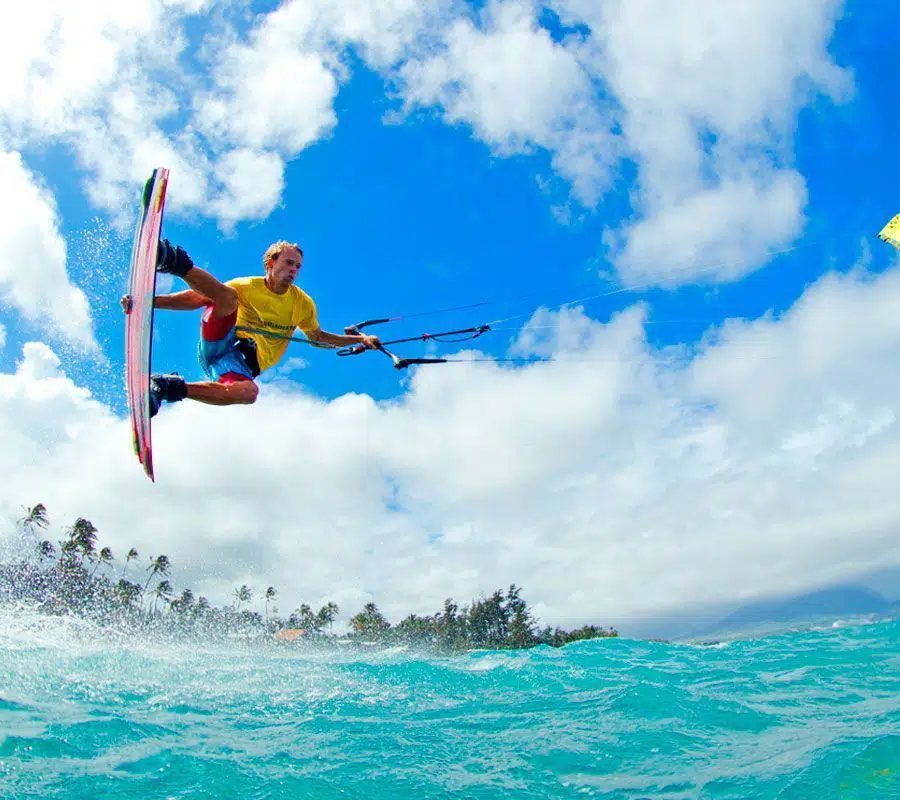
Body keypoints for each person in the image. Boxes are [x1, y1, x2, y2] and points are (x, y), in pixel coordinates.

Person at [124, 239, 380, 416]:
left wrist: (359, 340)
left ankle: (167, 387)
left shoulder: (302, 304)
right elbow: (197, 298)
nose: (293, 270)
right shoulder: (247, 286)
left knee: (249, 393)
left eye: (297, 267)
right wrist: (149, 303)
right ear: (270, 263)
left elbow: (317, 337)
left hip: (240, 367)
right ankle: (172, 260)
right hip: (220, 340)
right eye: (289, 263)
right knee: (226, 296)